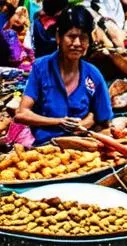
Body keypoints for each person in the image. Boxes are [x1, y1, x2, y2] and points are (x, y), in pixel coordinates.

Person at [16, 5, 113, 147]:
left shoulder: (93, 75)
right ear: (58, 37)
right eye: (71, 37)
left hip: (82, 150)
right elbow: (22, 114)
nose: (77, 43)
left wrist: (89, 123)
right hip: (45, 149)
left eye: (83, 38)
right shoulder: (41, 68)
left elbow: (104, 120)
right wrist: (59, 121)